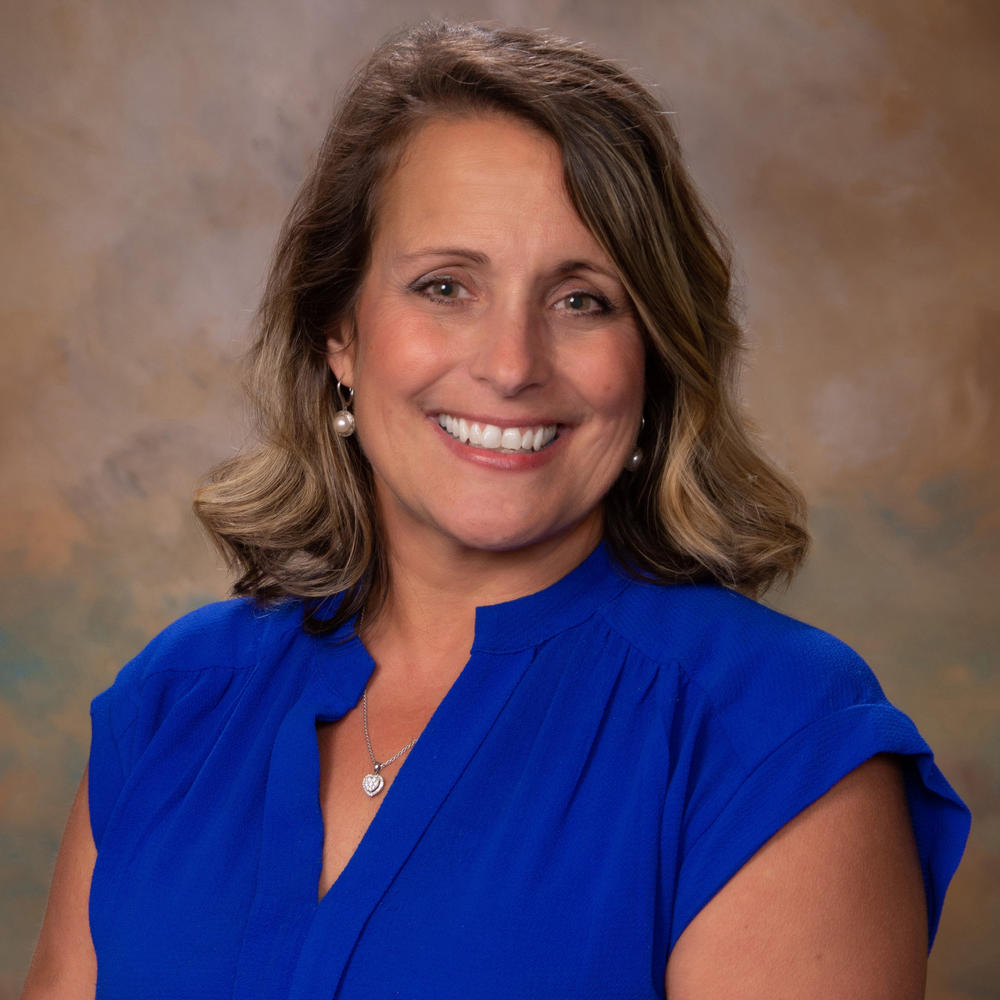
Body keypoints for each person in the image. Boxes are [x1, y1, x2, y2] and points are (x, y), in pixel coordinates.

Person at [23, 20, 969, 1000]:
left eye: (583, 299)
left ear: (652, 358)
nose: (511, 365)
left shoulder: (772, 731)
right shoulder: (178, 697)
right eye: (444, 285)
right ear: (339, 331)